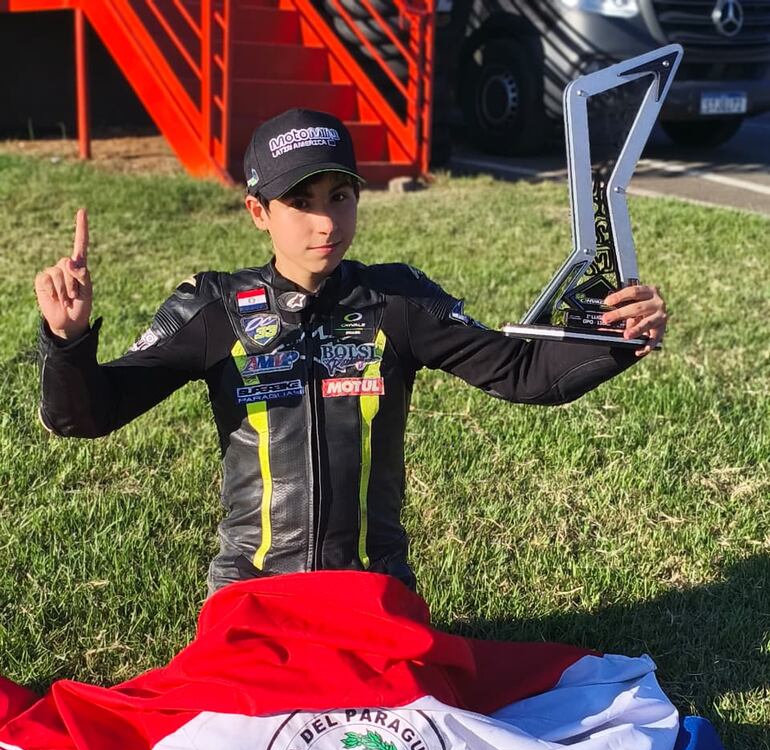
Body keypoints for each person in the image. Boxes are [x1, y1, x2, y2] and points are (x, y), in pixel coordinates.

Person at [35, 108, 667, 595]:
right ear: (258, 211)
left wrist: (616, 336)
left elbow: (525, 373)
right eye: (300, 204)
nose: (325, 222)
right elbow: (86, 415)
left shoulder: (396, 300)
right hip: (252, 595)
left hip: (372, 590)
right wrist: (68, 342)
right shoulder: (214, 308)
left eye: (339, 197)